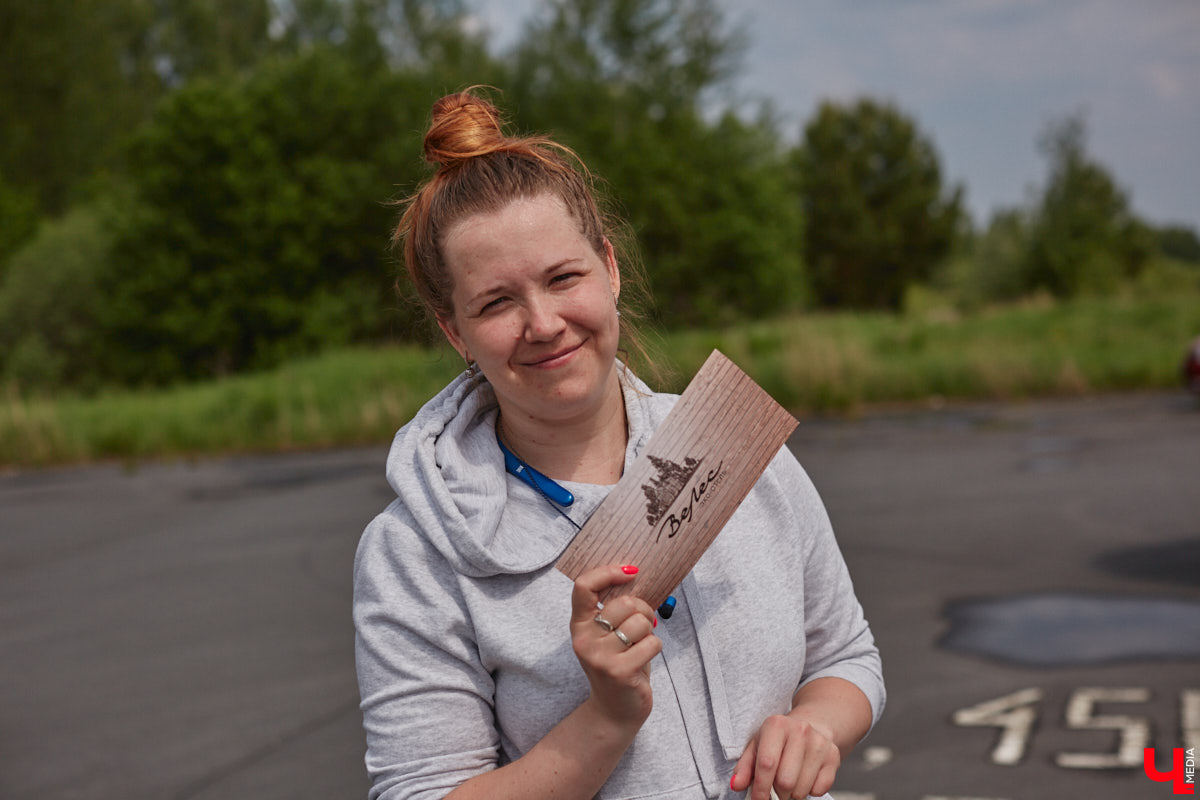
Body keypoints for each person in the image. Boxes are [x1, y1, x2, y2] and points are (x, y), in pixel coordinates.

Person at [353, 88, 885, 800]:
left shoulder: (731, 442)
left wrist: (816, 727)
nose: (543, 323)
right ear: (456, 332)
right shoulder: (415, 552)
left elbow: (846, 656)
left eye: (563, 277)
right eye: (496, 302)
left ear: (609, 267)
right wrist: (605, 719)